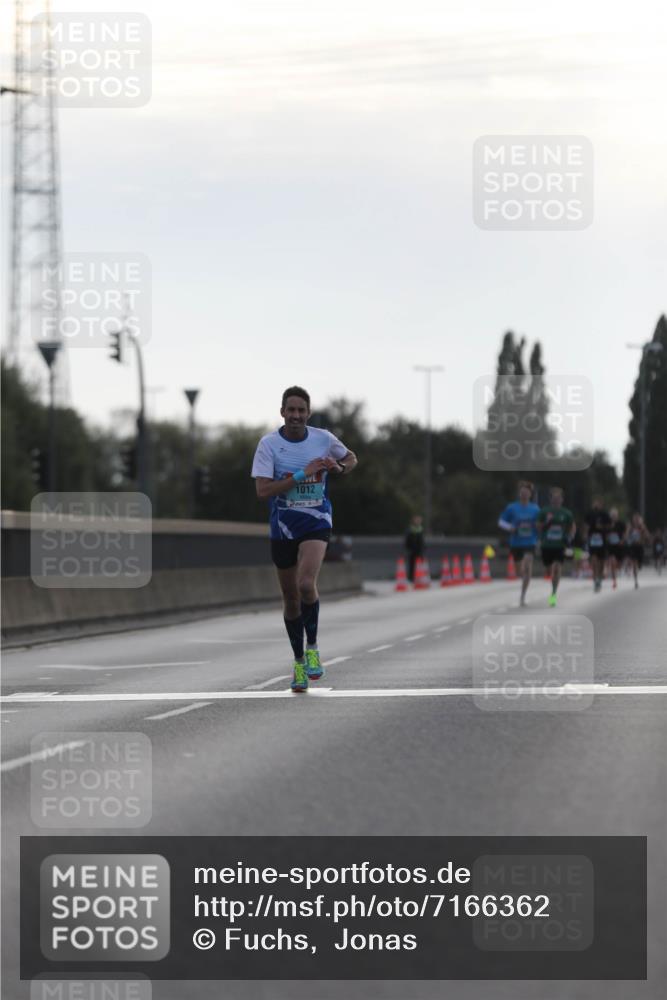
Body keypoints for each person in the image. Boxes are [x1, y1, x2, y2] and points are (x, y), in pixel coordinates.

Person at [251, 386, 357, 692]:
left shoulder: (323, 438)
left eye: (301, 410)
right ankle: (298, 661)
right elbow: (262, 491)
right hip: (283, 525)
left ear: (308, 414)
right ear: (282, 412)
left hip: (317, 519)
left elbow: (351, 458)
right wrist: (301, 475)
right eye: (291, 410)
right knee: (290, 599)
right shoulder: (268, 445)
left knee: (305, 584)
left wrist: (339, 467)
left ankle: (313, 648)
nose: (296, 416)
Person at [498, 480, 541, 607]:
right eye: (522, 492)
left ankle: (523, 595)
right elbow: (501, 522)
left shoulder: (535, 509)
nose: (524, 494)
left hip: (530, 541)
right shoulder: (512, 507)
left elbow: (540, 524)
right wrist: (510, 527)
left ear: (530, 494)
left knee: (527, 564)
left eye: (526, 492)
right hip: (516, 543)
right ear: (519, 493)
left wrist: (540, 526)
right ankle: (523, 573)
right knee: (520, 570)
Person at [537, 487, 574, 607]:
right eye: (554, 498)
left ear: (562, 500)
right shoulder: (544, 511)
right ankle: (550, 574)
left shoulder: (566, 513)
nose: (557, 500)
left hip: (560, 545)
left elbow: (572, 526)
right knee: (548, 569)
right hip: (547, 545)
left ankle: (553, 593)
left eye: (559, 498)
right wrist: (546, 522)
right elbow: (538, 526)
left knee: (557, 568)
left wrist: (570, 536)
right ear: (551, 499)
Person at [583, 497, 611, 593]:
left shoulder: (605, 514)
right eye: (595, 503)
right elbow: (586, 525)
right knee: (594, 560)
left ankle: (599, 577)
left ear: (601, 504)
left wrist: (602, 527)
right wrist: (585, 535)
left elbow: (610, 526)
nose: (596, 505)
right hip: (592, 540)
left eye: (598, 503)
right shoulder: (589, 514)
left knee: (601, 562)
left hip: (602, 540)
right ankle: (595, 580)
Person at [606, 507, 627, 590]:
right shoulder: (608, 524)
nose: (613, 517)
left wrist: (622, 540)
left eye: (615, 515)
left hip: (619, 545)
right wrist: (607, 537)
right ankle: (614, 581)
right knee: (612, 562)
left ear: (617, 516)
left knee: (618, 563)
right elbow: (605, 532)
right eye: (612, 515)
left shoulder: (621, 524)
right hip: (611, 546)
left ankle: (618, 568)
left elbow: (625, 533)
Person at [627, 513, 650, 589]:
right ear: (633, 520)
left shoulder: (642, 527)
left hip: (640, 547)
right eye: (635, 519)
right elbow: (627, 535)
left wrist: (643, 529)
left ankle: (638, 566)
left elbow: (647, 536)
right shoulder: (631, 527)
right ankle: (636, 581)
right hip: (633, 547)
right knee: (634, 564)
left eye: (637, 519)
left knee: (639, 565)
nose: (636, 521)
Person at [405, 515, 425, 582]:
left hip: (419, 550)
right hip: (412, 550)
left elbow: (422, 540)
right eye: (417, 520)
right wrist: (408, 548)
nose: (418, 521)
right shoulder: (411, 529)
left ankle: (420, 577)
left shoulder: (421, 529)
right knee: (412, 565)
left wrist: (423, 547)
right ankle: (411, 578)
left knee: (420, 564)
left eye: (419, 520)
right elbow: (407, 540)